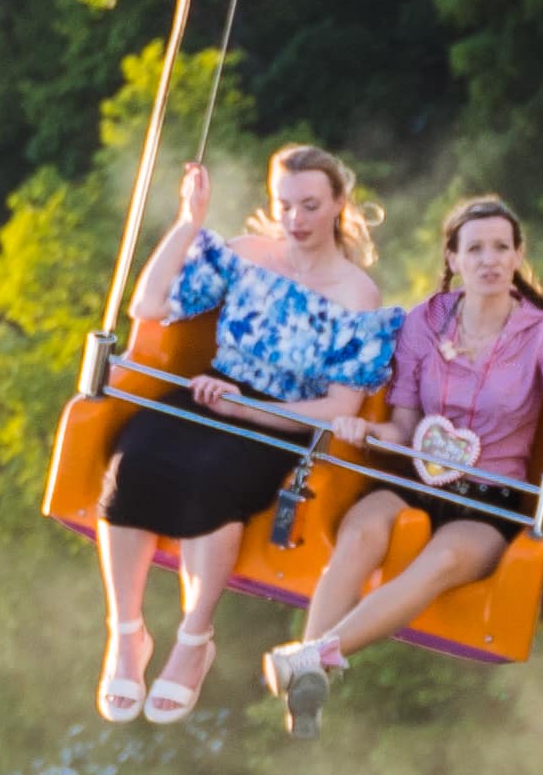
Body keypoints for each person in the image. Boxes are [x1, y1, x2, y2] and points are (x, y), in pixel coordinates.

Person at [262, 193, 543, 736]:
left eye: (500, 248)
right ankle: (312, 676)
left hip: (487, 500)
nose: (489, 260)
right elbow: (401, 425)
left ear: (516, 256)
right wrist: (365, 431)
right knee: (364, 530)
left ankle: (310, 660)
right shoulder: (426, 322)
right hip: (418, 475)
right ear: (453, 258)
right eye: (475, 249)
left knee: (438, 563)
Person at [94, 150, 398, 724]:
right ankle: (127, 633)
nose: (296, 219)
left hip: (283, 416)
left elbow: (336, 408)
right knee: (135, 461)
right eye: (284, 205)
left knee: (211, 477)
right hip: (213, 389)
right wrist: (189, 222)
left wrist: (250, 410)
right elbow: (148, 304)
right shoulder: (246, 255)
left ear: (338, 204)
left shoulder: (356, 295)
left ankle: (193, 638)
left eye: (310, 205)